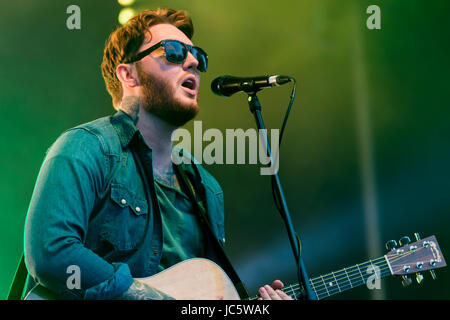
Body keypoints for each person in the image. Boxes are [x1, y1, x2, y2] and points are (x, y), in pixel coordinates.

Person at [23, 7, 292, 300]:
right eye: (173, 52)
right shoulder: (85, 147)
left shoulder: (207, 189)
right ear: (129, 75)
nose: (192, 62)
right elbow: (52, 252)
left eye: (197, 55)